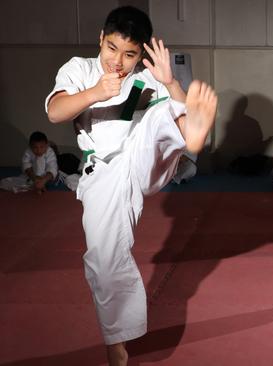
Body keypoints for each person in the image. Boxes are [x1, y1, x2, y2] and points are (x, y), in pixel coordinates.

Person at [44, 6, 217, 366]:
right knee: (103, 258)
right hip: (103, 174)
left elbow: (178, 103)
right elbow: (56, 111)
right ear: (100, 40)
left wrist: (170, 82)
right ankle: (117, 343)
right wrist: (95, 91)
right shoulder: (81, 69)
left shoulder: (147, 77)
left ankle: (192, 137)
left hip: (144, 159)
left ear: (140, 54)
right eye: (111, 49)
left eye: (129, 54)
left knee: (161, 113)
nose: (118, 62)